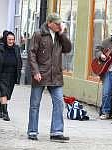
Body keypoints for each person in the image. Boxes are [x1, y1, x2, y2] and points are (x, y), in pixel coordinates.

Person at [27, 13, 72, 141]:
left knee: (59, 103)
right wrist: (35, 71)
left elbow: (68, 49)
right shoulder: (38, 34)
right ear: (49, 23)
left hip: (56, 75)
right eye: (57, 23)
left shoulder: (59, 35)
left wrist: (62, 34)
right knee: (35, 104)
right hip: (40, 74)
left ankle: (56, 132)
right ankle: (32, 131)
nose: (59, 25)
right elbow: (31, 54)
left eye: (60, 23)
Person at [0, 31, 22, 121]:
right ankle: (5, 113)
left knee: (7, 94)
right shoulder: (0, 48)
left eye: (13, 39)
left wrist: (18, 73)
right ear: (6, 39)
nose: (11, 41)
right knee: (4, 92)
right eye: (9, 39)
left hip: (12, 75)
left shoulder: (16, 49)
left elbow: (19, 61)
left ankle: (0, 109)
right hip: (2, 75)